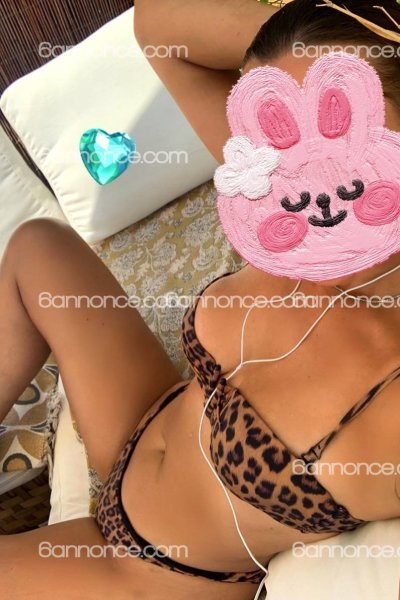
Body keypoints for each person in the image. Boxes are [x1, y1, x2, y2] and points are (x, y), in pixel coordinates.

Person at [0, 1, 399, 599]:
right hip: (141, 427)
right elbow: (160, 26)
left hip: (157, 570)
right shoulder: (285, 213)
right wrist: (331, 42)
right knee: (39, 245)